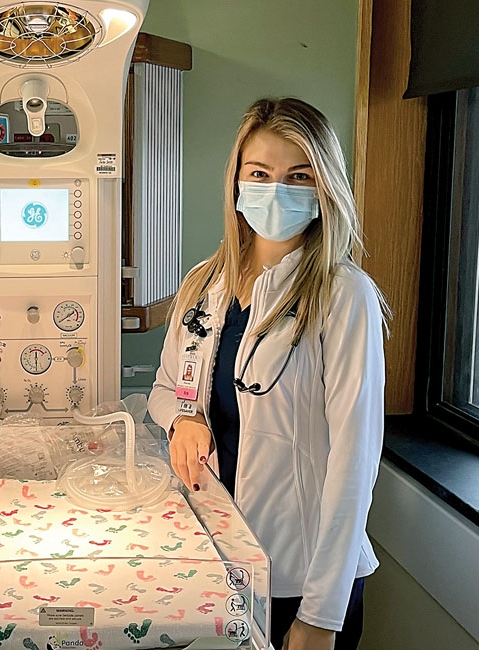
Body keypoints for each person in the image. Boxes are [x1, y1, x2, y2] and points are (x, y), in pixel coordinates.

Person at [149, 97, 388, 650]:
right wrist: (183, 421)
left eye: (298, 176)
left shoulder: (343, 294)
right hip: (215, 553)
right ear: (236, 182)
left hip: (300, 575)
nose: (276, 189)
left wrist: (321, 615)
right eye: (260, 173)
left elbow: (355, 462)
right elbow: (165, 392)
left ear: (324, 187)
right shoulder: (203, 284)